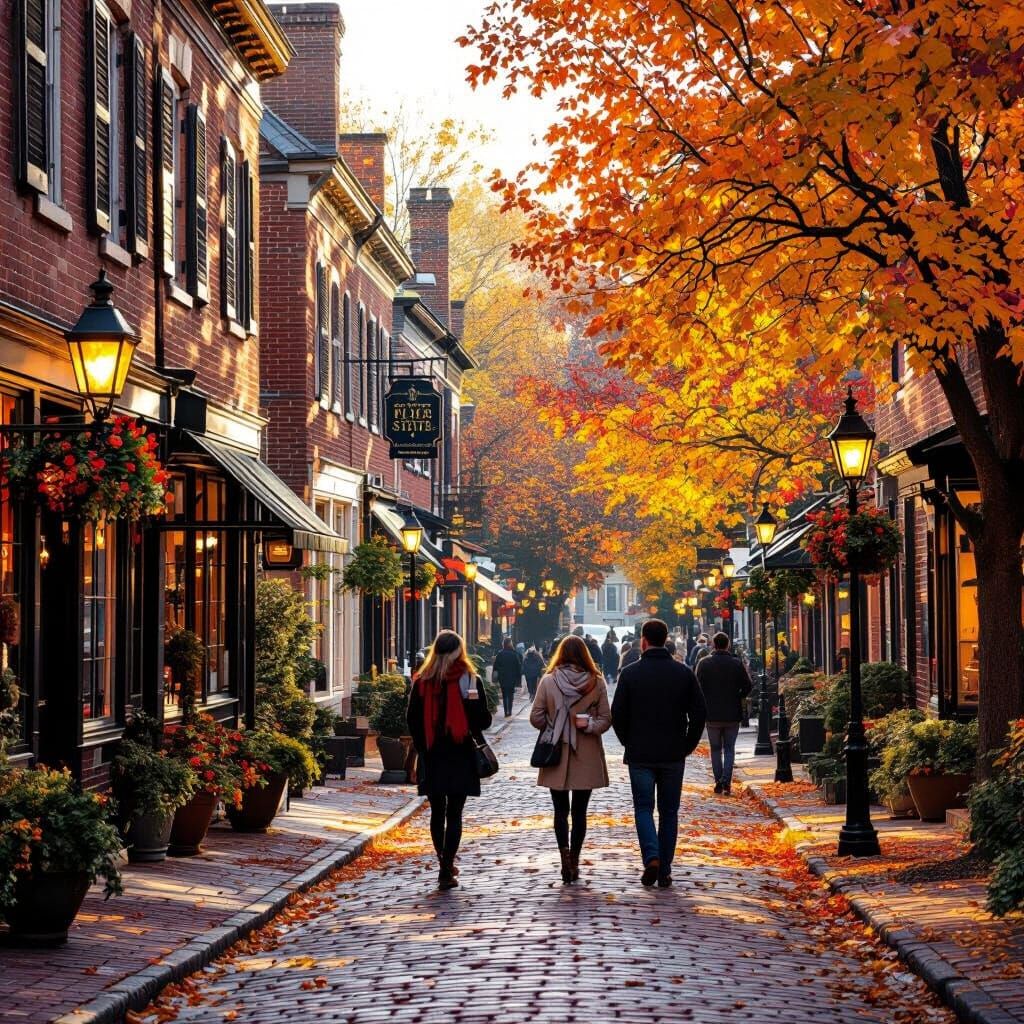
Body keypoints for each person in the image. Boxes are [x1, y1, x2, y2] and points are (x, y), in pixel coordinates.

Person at [612, 618, 707, 889]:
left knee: (643, 808)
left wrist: (628, 742)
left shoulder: (630, 674)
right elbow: (699, 713)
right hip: (672, 752)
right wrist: (686, 744)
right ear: (665, 639)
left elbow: (618, 715)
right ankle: (664, 869)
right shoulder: (683, 673)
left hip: (640, 752)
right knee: (669, 811)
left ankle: (651, 857)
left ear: (643, 640)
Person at [407, 629, 493, 890]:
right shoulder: (469, 679)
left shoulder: (422, 681)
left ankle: (443, 862)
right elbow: (483, 721)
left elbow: (412, 720)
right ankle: (446, 866)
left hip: (433, 753)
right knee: (455, 813)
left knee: (437, 811)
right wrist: (473, 705)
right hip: (460, 752)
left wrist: (423, 748)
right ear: (460, 652)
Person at [530, 635, 612, 883]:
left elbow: (535, 717)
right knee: (580, 812)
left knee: (559, 811)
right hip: (585, 753)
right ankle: (575, 859)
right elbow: (606, 718)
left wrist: (554, 726)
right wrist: (589, 726)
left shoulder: (549, 680)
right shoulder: (596, 682)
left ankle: (564, 857)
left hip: (556, 751)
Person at [695, 632, 752, 796]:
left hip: (712, 714)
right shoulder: (736, 663)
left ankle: (719, 780)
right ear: (727, 645)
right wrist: (738, 696)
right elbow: (748, 685)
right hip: (732, 713)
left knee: (715, 749)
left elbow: (697, 688)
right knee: (729, 748)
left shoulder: (704, 663)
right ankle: (726, 781)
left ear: (713, 644)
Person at [492, 638, 523, 717]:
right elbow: (518, 667)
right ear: (510, 644)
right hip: (512, 677)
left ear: (503, 644)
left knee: (504, 694)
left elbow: (495, 666)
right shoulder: (514, 654)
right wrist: (518, 679)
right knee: (510, 694)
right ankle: (510, 710)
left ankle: (506, 711)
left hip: (502, 677)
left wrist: (496, 676)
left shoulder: (500, 654)